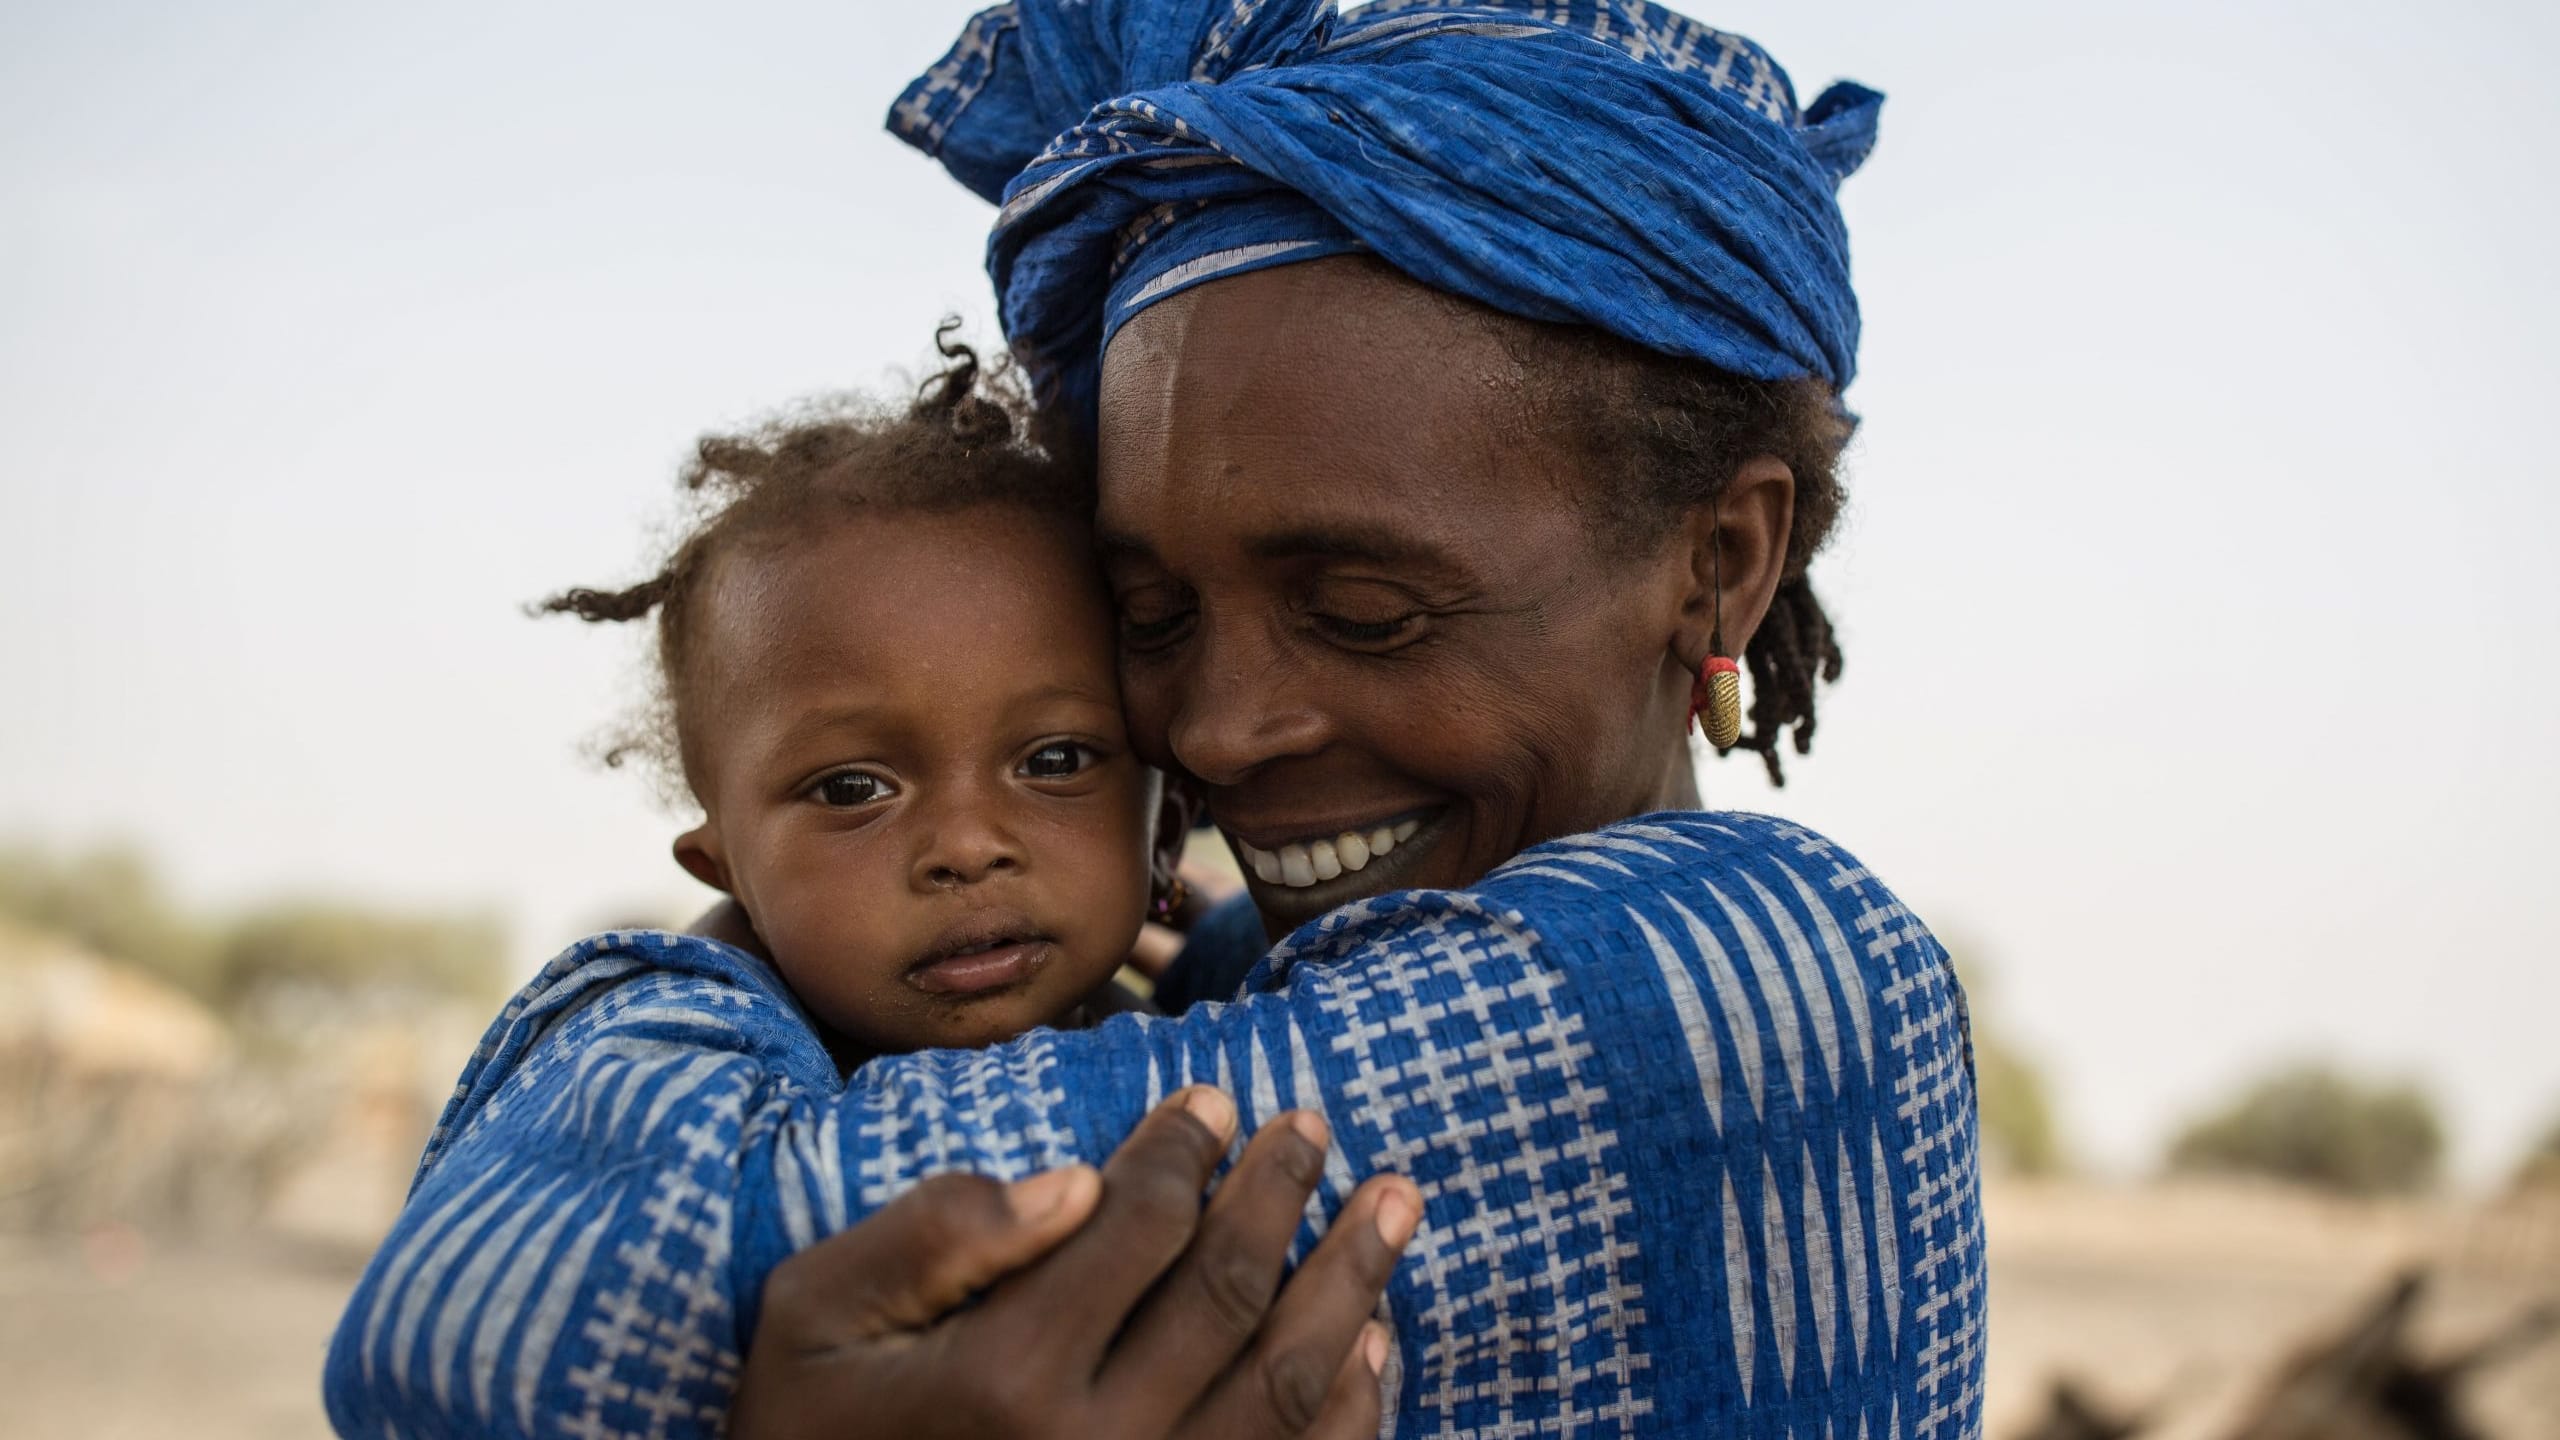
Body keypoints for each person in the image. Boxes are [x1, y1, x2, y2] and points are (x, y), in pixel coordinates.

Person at [325, 3, 1987, 1437]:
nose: (1219, 730)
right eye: (1151, 617)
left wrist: (722, 952)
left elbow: (501, 1316)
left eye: (1366, 611)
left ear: (1720, 562)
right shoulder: (1221, 990)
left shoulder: (1747, 981)